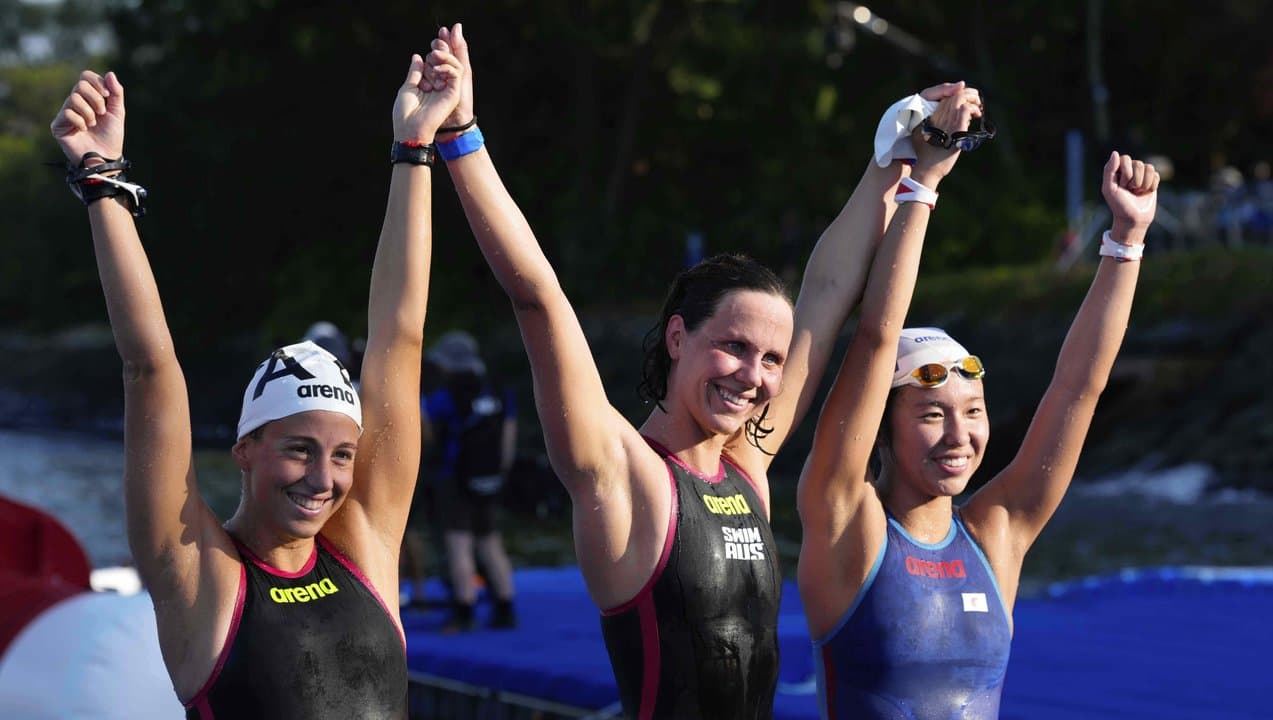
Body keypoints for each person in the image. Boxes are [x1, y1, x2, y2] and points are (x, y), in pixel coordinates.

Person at [424, 23, 980, 718]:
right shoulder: (621, 473)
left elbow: (829, 293)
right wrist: (462, 137)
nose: (753, 376)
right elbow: (539, 298)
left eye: (772, 359)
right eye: (734, 348)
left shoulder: (748, 461)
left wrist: (889, 163)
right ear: (677, 337)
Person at [50, 40, 463, 717]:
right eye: (299, 448)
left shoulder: (365, 543)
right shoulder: (200, 573)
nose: (323, 479)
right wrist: (101, 180)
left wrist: (415, 148)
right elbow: (149, 367)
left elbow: (400, 337)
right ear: (244, 449)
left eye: (342, 454)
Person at [796, 113, 1158, 718]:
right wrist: (923, 183)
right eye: (931, 415)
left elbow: (1077, 390)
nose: (958, 436)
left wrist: (1126, 240)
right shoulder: (847, 525)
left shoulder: (996, 536)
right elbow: (876, 335)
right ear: (881, 428)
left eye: (972, 411)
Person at [419, 330, 518, 631]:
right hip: (490, 478)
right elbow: (508, 436)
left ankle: (465, 610)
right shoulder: (498, 391)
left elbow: (428, 434)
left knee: (459, 545)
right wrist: (501, 472)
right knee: (490, 542)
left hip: (455, 479)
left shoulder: (444, 396)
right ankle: (505, 608)